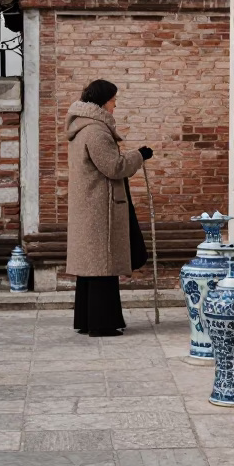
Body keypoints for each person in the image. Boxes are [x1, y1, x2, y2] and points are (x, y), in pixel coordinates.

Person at [66, 79, 154, 337]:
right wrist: (139, 155)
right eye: (114, 99)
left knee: (90, 269)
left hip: (89, 207)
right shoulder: (95, 131)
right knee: (102, 266)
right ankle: (102, 324)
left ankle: (87, 320)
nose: (116, 104)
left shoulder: (82, 127)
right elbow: (114, 167)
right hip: (99, 209)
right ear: (104, 101)